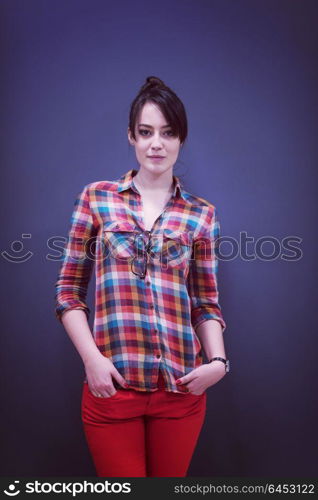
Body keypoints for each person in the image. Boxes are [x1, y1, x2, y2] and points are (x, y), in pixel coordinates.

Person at [54, 76, 229, 478]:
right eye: (146, 132)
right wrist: (92, 359)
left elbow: (205, 301)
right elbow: (68, 291)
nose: (157, 143)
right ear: (131, 136)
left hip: (182, 388)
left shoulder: (201, 214)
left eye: (168, 133)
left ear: (180, 138)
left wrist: (218, 362)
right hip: (112, 386)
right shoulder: (96, 198)